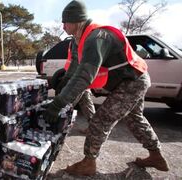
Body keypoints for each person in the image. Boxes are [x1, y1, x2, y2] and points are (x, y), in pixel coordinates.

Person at [45, 0, 169, 176]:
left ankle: (88, 162)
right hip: (131, 80)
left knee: (100, 121)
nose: (63, 25)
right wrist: (64, 82)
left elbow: (83, 77)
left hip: (133, 81)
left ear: (76, 20)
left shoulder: (97, 38)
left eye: (66, 21)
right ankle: (156, 156)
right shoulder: (79, 39)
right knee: (135, 119)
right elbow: (75, 68)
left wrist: (58, 103)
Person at [54, 37, 95, 134]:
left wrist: (66, 79)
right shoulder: (76, 39)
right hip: (79, 77)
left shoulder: (78, 39)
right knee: (86, 102)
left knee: (67, 102)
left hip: (76, 79)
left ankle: (58, 126)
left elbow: (76, 61)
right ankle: (94, 127)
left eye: (65, 24)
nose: (64, 27)